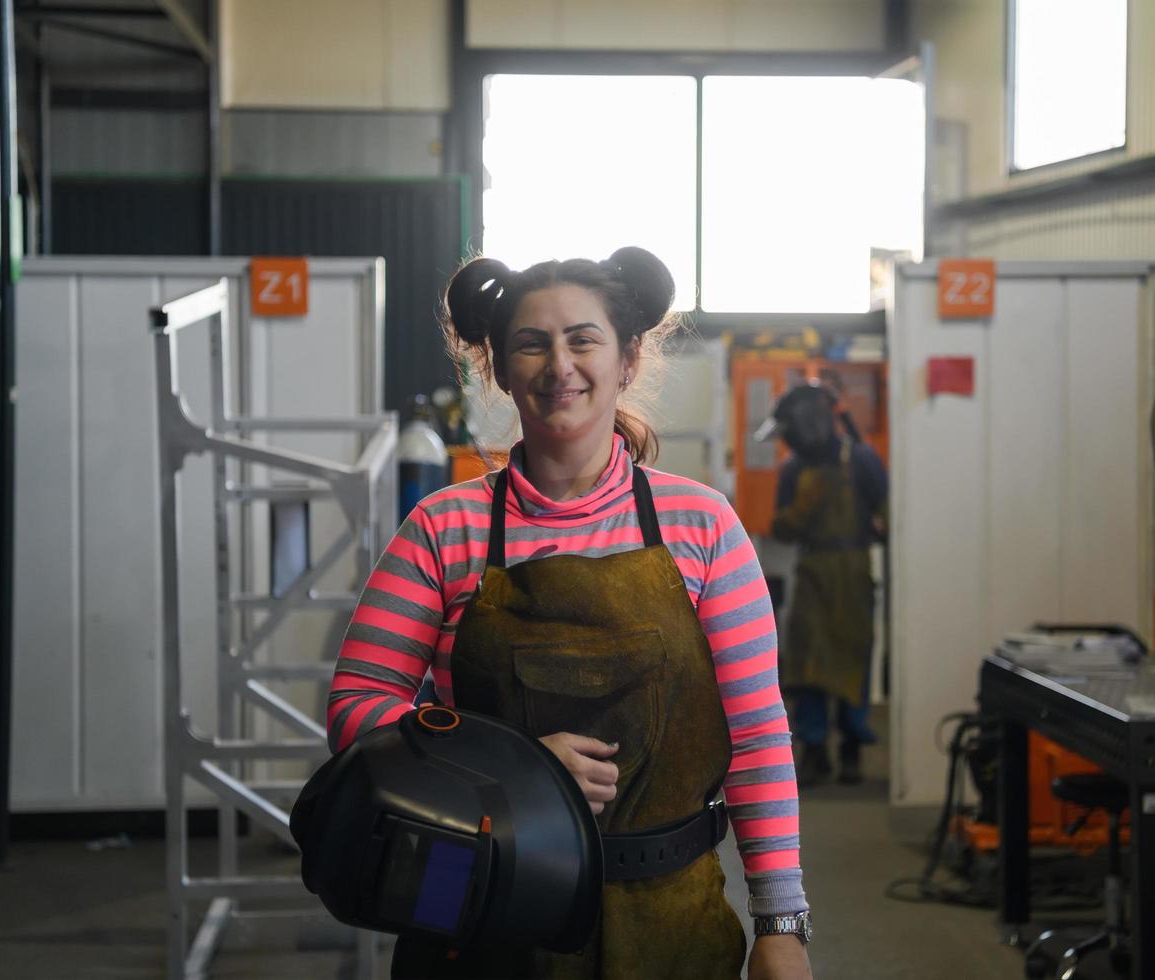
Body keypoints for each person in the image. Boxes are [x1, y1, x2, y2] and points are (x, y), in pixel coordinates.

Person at [327, 246, 812, 979]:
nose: (560, 365)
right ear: (498, 368)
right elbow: (355, 708)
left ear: (626, 359)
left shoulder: (702, 525)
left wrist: (780, 920)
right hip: (482, 909)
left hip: (668, 921)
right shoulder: (442, 527)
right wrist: (510, 769)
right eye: (532, 344)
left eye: (583, 339)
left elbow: (756, 735)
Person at [762, 382, 888, 786]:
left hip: (853, 571)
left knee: (854, 655)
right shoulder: (794, 470)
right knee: (808, 664)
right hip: (812, 572)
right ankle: (814, 750)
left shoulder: (863, 460)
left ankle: (852, 747)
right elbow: (782, 529)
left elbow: (889, 517)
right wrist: (800, 511)